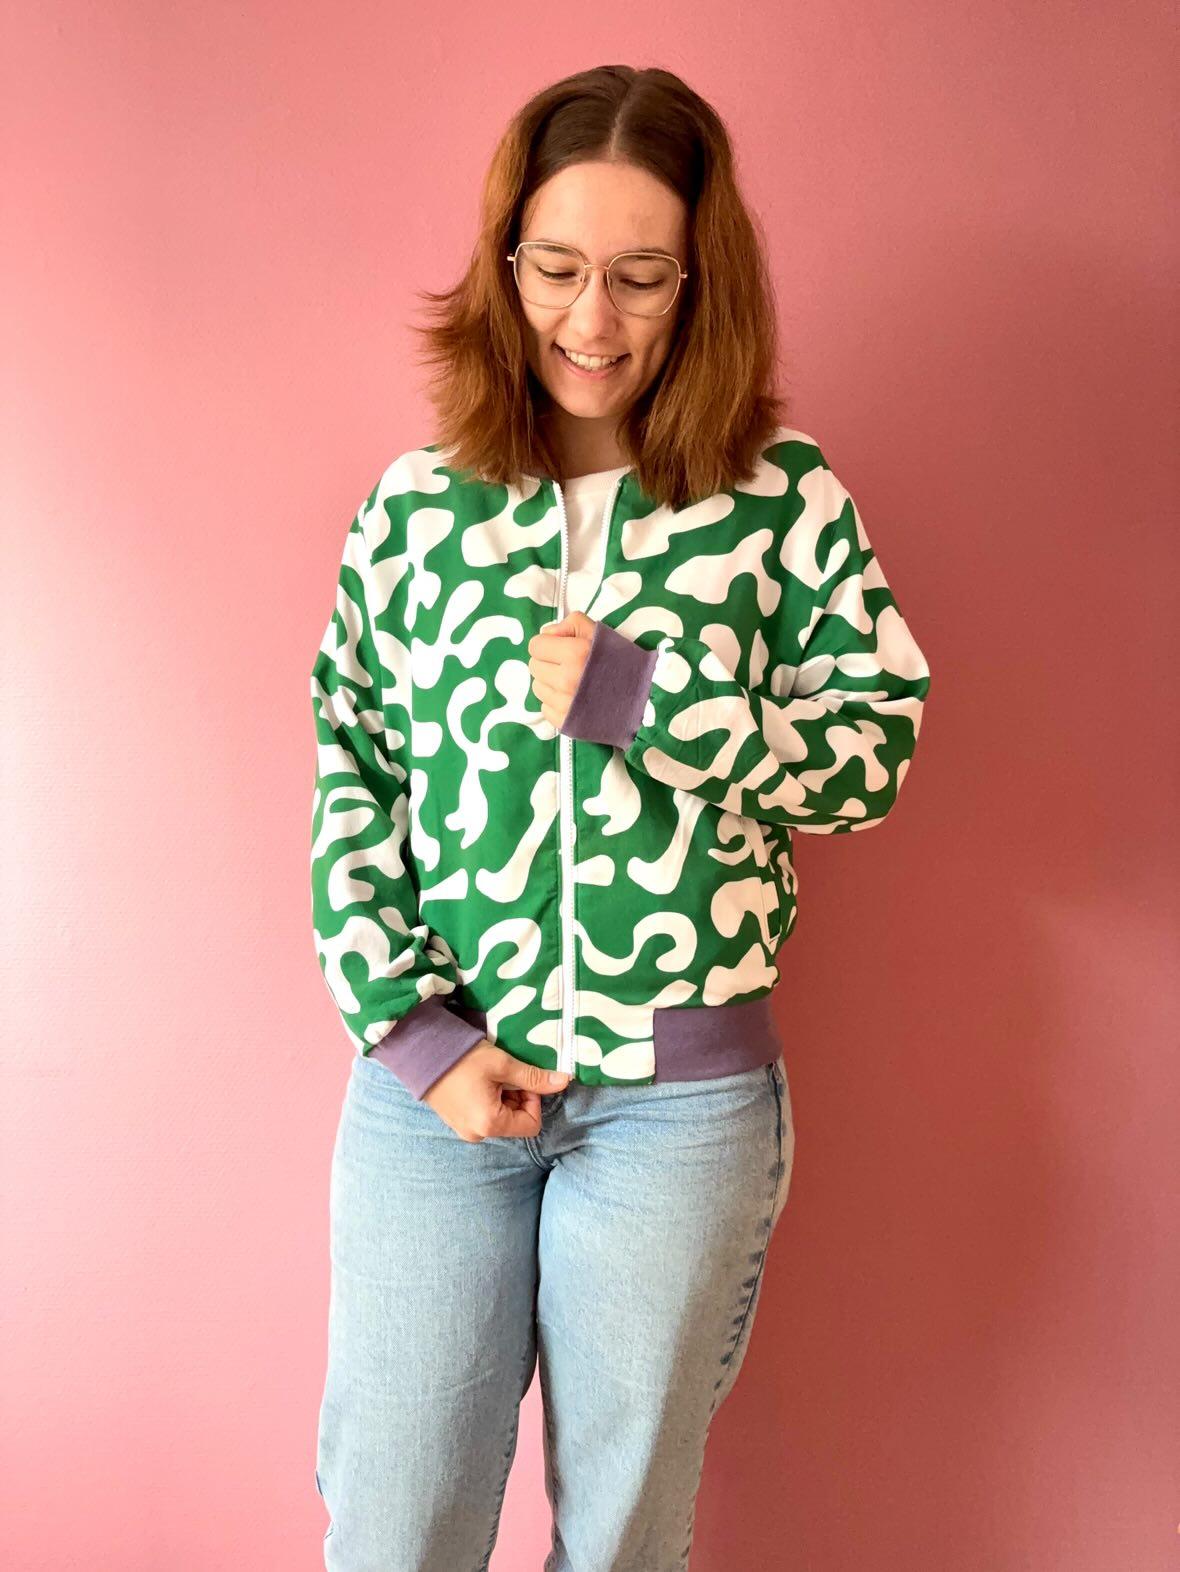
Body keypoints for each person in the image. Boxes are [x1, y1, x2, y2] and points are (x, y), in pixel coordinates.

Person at [309, 63, 931, 1572]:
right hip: (439, 1091)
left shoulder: (783, 501)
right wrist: (414, 1037)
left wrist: (651, 703)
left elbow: (873, 752)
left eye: (642, 276)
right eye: (559, 268)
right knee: (393, 1526)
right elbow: (352, 771)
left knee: (622, 1544)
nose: (593, 319)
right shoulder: (417, 507)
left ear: (702, 281)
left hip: (676, 1108)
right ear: (506, 263)